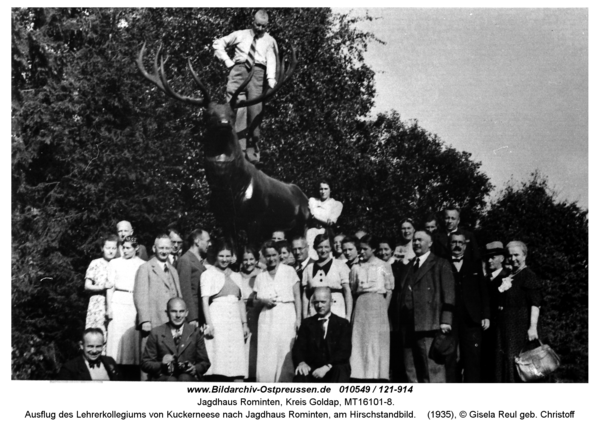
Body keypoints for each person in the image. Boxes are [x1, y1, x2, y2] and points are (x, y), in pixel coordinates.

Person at [213, 9, 278, 165]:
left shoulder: (270, 41)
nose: (260, 29)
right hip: (238, 72)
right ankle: (238, 151)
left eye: (264, 26)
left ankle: (253, 153)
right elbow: (218, 43)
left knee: (255, 112)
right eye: (258, 25)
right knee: (237, 112)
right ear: (252, 22)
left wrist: (271, 79)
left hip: (257, 75)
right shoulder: (240, 34)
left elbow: (272, 59)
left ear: (267, 25)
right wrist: (228, 62)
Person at [397, 230, 455, 383]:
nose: (416, 243)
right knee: (411, 370)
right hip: (408, 325)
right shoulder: (408, 266)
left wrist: (446, 320)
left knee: (432, 370)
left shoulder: (440, 263)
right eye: (414, 240)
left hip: (429, 324)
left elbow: (448, 294)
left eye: (420, 240)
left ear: (430, 243)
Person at [133, 234, 182, 377]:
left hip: (171, 323)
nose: (164, 251)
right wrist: (145, 320)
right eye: (161, 247)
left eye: (167, 248)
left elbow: (179, 295)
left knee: (168, 361)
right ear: (154, 248)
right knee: (149, 361)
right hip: (152, 322)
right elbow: (140, 295)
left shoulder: (173, 270)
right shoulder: (145, 268)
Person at [494, 241, 542, 383]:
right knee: (506, 363)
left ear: (525, 255)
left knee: (519, 366)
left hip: (520, 329)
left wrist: (532, 327)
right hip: (506, 329)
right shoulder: (509, 276)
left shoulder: (529, 276)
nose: (513, 258)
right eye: (510, 255)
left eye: (517, 255)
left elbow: (535, 304)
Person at [201, 239, 249, 380]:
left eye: (228, 256)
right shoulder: (208, 274)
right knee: (218, 358)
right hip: (217, 317)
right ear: (215, 255)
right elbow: (204, 301)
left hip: (234, 320)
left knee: (235, 361)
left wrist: (244, 324)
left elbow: (240, 301)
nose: (225, 259)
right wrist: (209, 324)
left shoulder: (237, 276)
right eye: (221, 256)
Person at [255, 240, 302, 382]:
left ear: (279, 254)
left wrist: (299, 318)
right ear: (263, 256)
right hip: (267, 317)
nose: (271, 259)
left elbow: (297, 296)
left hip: (286, 314)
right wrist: (263, 301)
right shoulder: (260, 276)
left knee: (285, 350)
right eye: (268, 256)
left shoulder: (289, 271)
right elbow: (256, 300)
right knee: (267, 354)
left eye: (274, 255)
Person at [349, 234, 395, 381]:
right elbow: (353, 289)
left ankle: (377, 376)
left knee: (376, 341)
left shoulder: (384, 266)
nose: (361, 252)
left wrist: (383, 310)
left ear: (373, 249)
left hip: (378, 306)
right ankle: (359, 375)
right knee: (360, 340)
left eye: (365, 249)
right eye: (359, 249)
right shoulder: (355, 268)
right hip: (362, 305)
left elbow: (389, 290)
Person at [446, 232, 490, 383]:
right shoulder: (443, 264)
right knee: (451, 359)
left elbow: (483, 291)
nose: (457, 246)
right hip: (450, 319)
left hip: (471, 319)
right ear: (449, 245)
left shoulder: (475, 265)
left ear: (465, 246)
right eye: (453, 242)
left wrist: (486, 315)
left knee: (472, 358)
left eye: (460, 243)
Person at [105, 236, 146, 380]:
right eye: (124, 247)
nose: (125, 251)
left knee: (132, 338)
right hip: (118, 301)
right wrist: (109, 307)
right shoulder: (114, 263)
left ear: (136, 248)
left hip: (134, 302)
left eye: (129, 248)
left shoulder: (142, 264)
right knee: (116, 338)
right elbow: (110, 287)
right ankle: (113, 369)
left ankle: (131, 372)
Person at [141, 298, 210, 381]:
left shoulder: (195, 332)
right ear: (167, 313)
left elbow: (205, 362)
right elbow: (145, 363)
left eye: (181, 311)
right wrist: (162, 364)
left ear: (186, 313)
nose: (178, 315)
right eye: (173, 311)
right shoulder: (156, 332)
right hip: (164, 379)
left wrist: (195, 368)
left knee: (184, 378)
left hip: (188, 379)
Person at [293, 288, 352, 383]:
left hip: (334, 367)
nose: (319, 305)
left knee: (340, 370)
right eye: (316, 302)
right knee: (301, 375)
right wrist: (301, 362)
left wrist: (326, 367)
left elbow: (344, 351)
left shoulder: (342, 324)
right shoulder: (307, 323)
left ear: (331, 302)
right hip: (313, 368)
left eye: (323, 302)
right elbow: (298, 348)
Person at [302, 233, 353, 321]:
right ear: (315, 248)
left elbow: (347, 291)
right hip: (314, 309)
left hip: (337, 308)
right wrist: (305, 316)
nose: (323, 250)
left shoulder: (340, 265)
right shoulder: (308, 268)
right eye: (320, 247)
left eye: (326, 247)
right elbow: (305, 295)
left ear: (330, 248)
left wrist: (348, 316)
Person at [482, 240, 511, 382]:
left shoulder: (508, 277)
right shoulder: (485, 279)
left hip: (502, 329)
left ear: (502, 258)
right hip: (487, 329)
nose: (489, 261)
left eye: (493, 257)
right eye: (487, 257)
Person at [83, 235, 118, 338]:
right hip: (97, 303)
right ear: (102, 248)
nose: (111, 251)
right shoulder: (95, 263)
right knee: (95, 333)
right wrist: (102, 287)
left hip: (113, 302)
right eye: (108, 248)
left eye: (113, 248)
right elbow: (87, 286)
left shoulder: (118, 263)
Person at [177, 229, 211, 328]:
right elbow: (185, 291)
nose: (210, 244)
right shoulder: (185, 260)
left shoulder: (198, 261)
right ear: (197, 241)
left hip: (201, 315)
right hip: (193, 317)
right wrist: (192, 318)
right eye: (207, 241)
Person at [240, 245, 263, 380]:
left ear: (256, 260)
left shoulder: (261, 274)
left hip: (257, 315)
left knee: (255, 347)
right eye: (245, 259)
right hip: (241, 315)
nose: (248, 263)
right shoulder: (236, 275)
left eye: (251, 259)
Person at [306, 181, 343, 260]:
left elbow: (330, 222)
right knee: (310, 255)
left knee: (325, 255)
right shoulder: (313, 201)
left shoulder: (336, 204)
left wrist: (314, 216)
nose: (323, 191)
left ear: (330, 190)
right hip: (312, 232)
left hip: (325, 233)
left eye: (326, 189)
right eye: (321, 189)